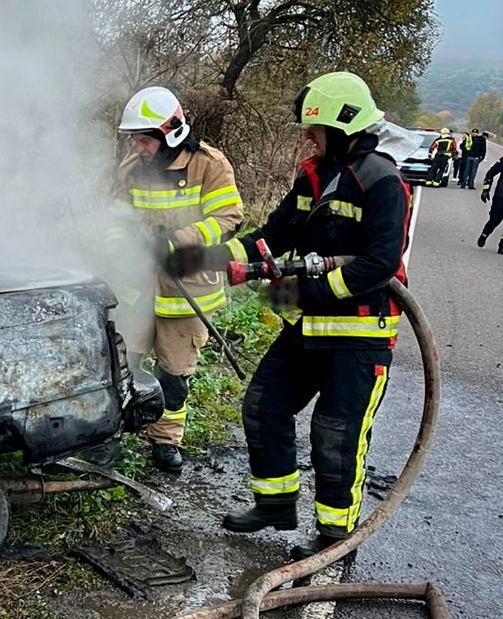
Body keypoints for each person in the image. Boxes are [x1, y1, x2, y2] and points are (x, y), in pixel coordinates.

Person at [165, 71, 410, 560]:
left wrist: (310, 290)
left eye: (313, 128)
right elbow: (271, 238)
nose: (306, 136)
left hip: (359, 337)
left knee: (334, 435)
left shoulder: (383, 181)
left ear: (343, 126)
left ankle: (334, 538)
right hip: (306, 329)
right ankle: (276, 505)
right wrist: (206, 259)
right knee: (263, 406)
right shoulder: (314, 176)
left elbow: (380, 264)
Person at [109, 86, 244, 474]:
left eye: (145, 139)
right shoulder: (132, 169)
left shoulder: (209, 165)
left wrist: (176, 240)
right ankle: (116, 432)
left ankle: (165, 441)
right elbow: (115, 221)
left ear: (171, 132)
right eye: (134, 139)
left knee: (174, 374)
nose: (138, 148)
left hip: (186, 292)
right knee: (125, 362)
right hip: (137, 288)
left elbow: (227, 220)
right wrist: (121, 249)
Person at [477, 156, 503, 252]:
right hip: (501, 197)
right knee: (494, 220)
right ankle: (485, 233)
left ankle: (502, 245)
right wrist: (486, 190)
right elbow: (491, 173)